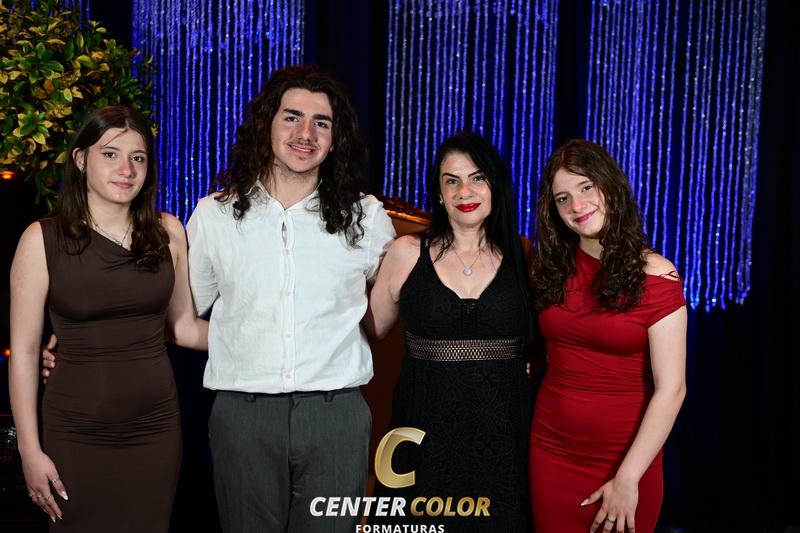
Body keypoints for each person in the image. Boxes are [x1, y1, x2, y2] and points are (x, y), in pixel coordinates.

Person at [186, 65, 395, 532]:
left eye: (321, 122)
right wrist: (78, 342)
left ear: (335, 139)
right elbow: (179, 316)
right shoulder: (215, 216)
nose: (306, 134)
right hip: (243, 415)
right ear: (267, 125)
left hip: (336, 415)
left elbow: (412, 303)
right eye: (292, 117)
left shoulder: (367, 218)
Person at [9, 105, 208, 532]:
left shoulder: (169, 232)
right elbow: (24, 353)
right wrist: (29, 450)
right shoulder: (41, 239)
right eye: (110, 154)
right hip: (74, 431)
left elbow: (184, 328)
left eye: (138, 157)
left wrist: (271, 335)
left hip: (156, 430)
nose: (126, 169)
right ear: (81, 160)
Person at [365, 131, 533, 532]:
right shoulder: (407, 252)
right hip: (422, 429)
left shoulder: (523, 256)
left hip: (503, 435)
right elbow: (371, 329)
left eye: (477, 178)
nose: (464, 191)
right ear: (439, 193)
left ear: (495, 186)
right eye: (451, 180)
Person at [528, 139, 687, 533]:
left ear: (610, 186)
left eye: (586, 187)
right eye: (563, 198)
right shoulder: (550, 269)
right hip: (551, 453)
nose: (577, 205)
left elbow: (672, 389)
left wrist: (628, 477)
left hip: (625, 461)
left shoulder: (657, 276)